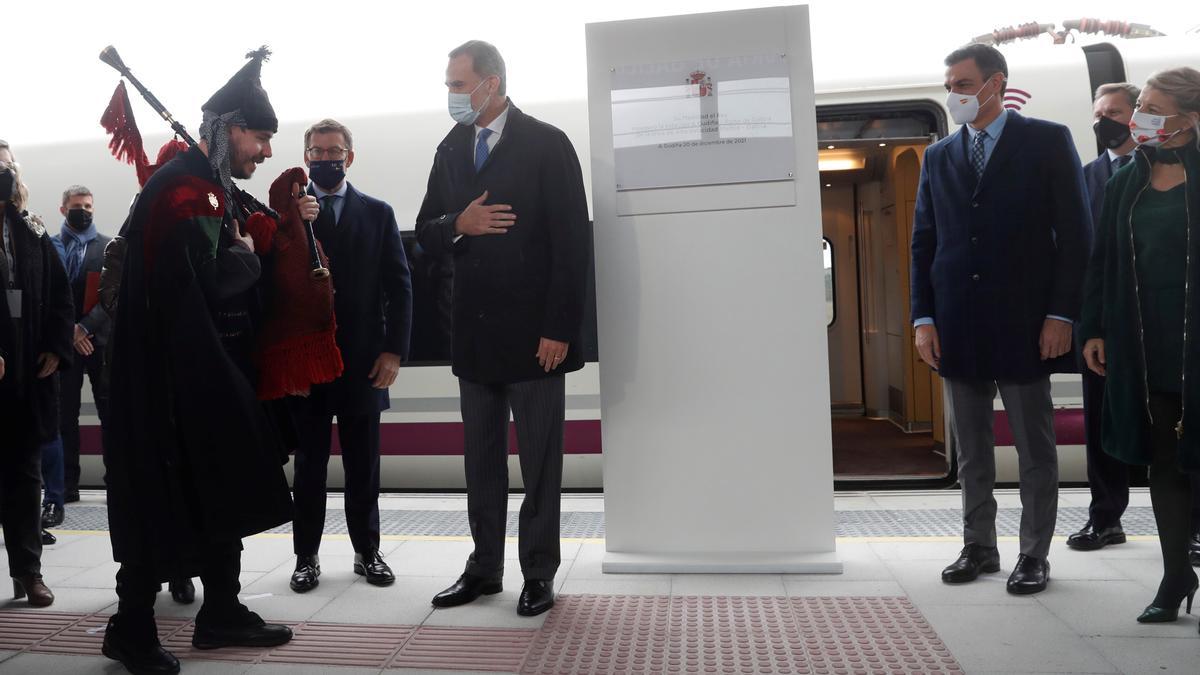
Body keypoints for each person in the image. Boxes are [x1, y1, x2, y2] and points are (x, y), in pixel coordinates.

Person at [102, 49, 317, 674]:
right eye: (259, 137)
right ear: (226, 130)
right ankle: (131, 628)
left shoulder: (208, 187)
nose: (266, 152)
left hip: (205, 371)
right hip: (170, 382)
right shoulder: (188, 192)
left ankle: (221, 609)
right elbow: (206, 283)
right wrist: (247, 256)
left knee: (222, 482)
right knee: (160, 498)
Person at [417, 40, 589, 617]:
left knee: (540, 463)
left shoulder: (547, 143)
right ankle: (484, 567)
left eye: (458, 85)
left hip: (537, 340)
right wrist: (457, 223)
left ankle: (538, 573)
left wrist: (560, 328)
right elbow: (425, 232)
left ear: (491, 83)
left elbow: (572, 245)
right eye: (449, 85)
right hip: (474, 338)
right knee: (481, 462)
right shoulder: (449, 150)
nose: (451, 96)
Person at [910, 43, 1090, 595]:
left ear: (995, 84)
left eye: (963, 84)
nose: (954, 94)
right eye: (951, 84)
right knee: (972, 447)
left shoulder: (1046, 140)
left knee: (1034, 448)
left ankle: (1033, 553)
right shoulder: (940, 155)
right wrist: (923, 318)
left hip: (1027, 324)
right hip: (957, 324)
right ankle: (979, 546)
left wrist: (1061, 313)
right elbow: (924, 242)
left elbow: (1078, 236)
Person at [1081, 66, 1200, 630]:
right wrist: (1095, 328)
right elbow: (1102, 261)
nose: (1137, 121)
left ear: (1189, 120)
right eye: (1139, 108)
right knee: (1164, 465)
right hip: (1147, 347)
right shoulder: (1128, 178)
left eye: (1152, 110)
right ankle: (1175, 574)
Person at [288, 118, 412, 593]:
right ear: (306, 159)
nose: (325, 158)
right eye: (316, 152)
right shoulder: (292, 217)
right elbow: (280, 291)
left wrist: (394, 352)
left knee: (364, 464)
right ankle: (306, 557)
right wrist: (297, 225)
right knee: (309, 468)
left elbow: (400, 290)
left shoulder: (378, 213)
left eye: (333, 150)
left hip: (363, 362)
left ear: (350, 157)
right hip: (311, 364)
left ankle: (368, 552)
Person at [0, 139, 74, 607]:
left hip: (24, 375)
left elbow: (60, 295)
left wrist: (56, 347)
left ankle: (28, 572)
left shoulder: (30, 231)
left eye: (5, 165)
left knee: (25, 476)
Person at [50, 185, 111, 507]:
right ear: (63, 209)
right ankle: (67, 485)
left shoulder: (108, 247)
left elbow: (112, 296)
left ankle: (114, 480)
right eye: (77, 206)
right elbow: (47, 296)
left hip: (98, 342)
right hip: (64, 345)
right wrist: (70, 332)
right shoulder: (50, 247)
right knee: (64, 417)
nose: (84, 210)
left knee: (109, 414)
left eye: (88, 205)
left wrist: (84, 328)